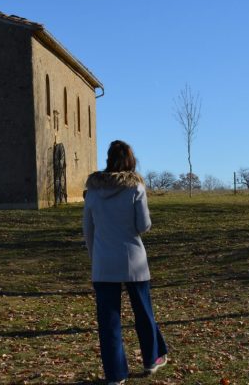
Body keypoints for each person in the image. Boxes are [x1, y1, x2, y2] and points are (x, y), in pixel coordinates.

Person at [83, 140, 168, 385]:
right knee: (143, 312)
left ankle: (115, 374)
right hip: (134, 260)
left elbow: (88, 229)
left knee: (109, 320)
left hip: (104, 261)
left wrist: (95, 256)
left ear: (108, 160)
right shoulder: (136, 188)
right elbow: (143, 226)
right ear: (131, 161)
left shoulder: (93, 191)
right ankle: (151, 359)